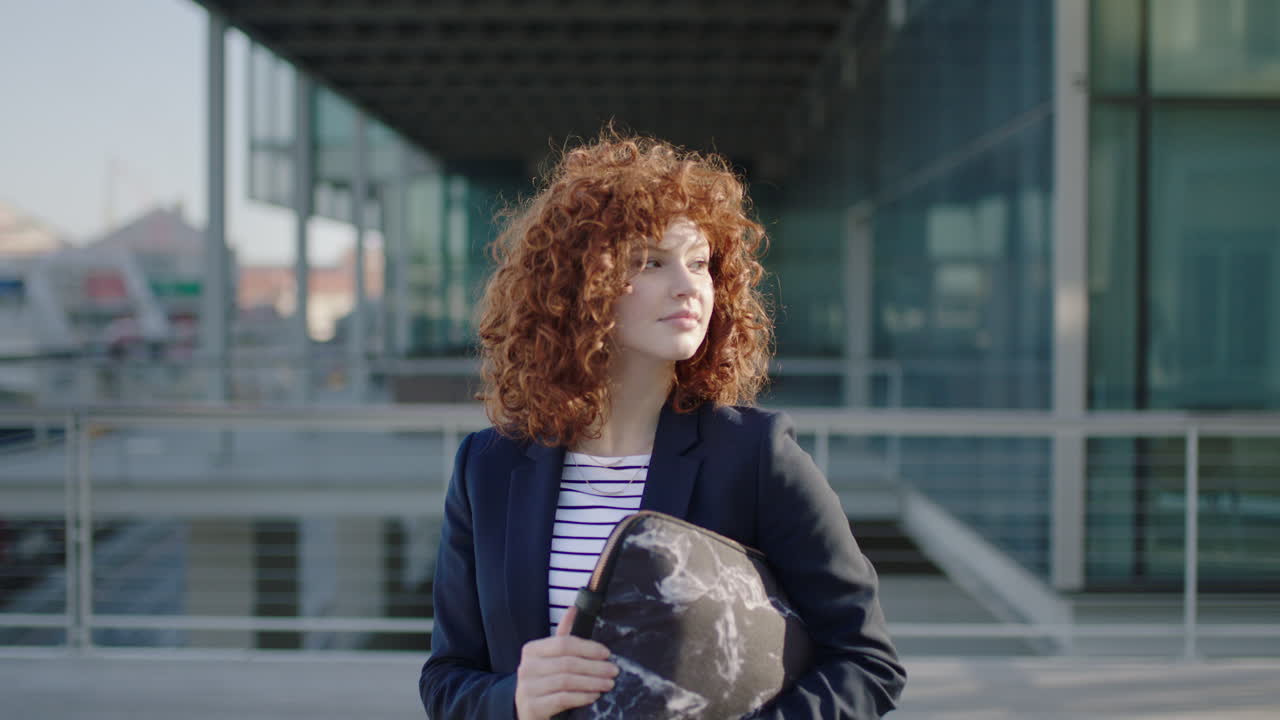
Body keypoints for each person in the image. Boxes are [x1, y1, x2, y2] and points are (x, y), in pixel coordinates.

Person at [419, 133, 905, 719]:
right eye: (650, 262)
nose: (689, 286)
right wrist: (514, 698)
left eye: (699, 264)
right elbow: (448, 678)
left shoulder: (754, 455)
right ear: (577, 287)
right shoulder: (488, 467)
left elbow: (866, 661)